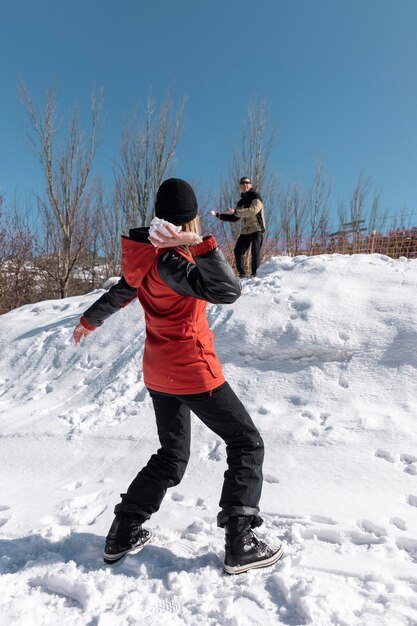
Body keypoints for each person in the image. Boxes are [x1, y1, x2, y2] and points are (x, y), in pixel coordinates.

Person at [73, 178, 282, 574]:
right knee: (246, 442)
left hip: (158, 373)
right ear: (190, 221)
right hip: (192, 369)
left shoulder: (145, 257)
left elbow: (121, 291)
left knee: (172, 456)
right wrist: (202, 246)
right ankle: (241, 541)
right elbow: (227, 290)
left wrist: (88, 321)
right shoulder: (173, 262)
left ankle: (124, 529)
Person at [210, 177, 265, 278]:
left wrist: (236, 212)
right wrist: (219, 215)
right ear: (240, 186)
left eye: (247, 183)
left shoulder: (256, 197)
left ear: (250, 185)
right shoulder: (241, 202)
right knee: (238, 250)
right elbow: (235, 218)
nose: (245, 185)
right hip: (246, 231)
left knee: (255, 250)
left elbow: (252, 210)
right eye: (243, 183)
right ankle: (242, 274)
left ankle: (255, 273)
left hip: (257, 228)